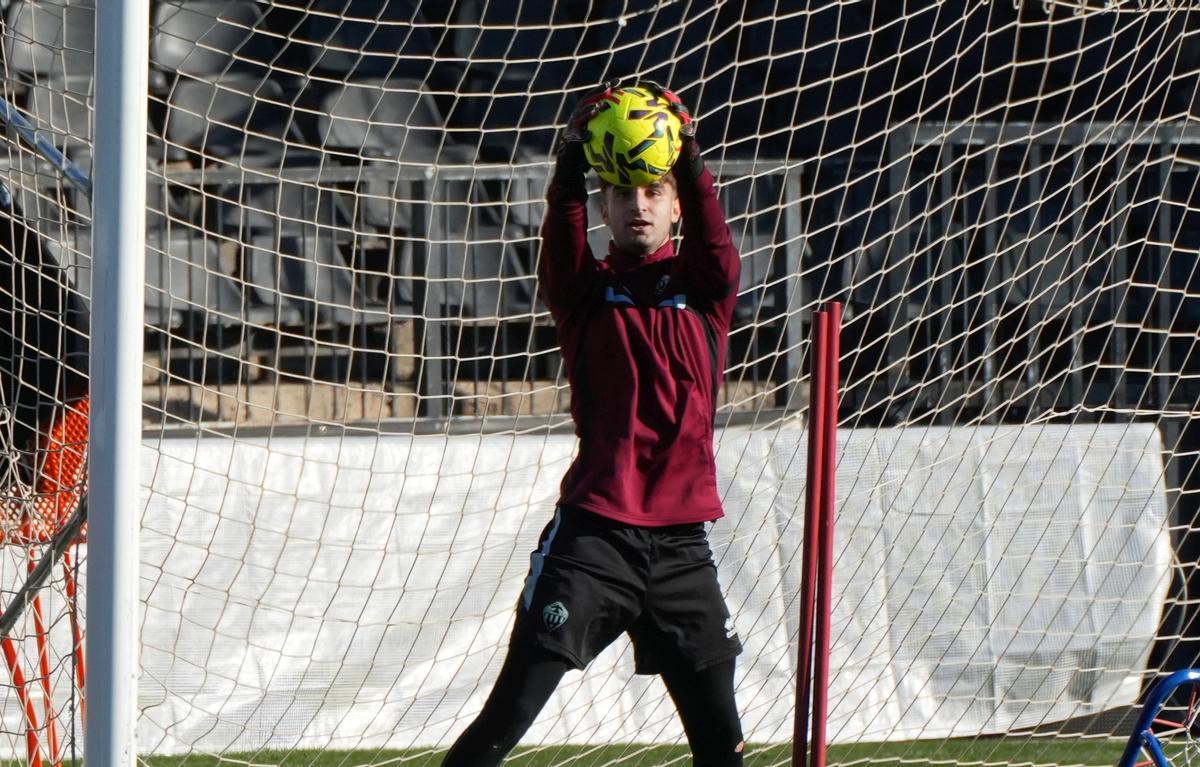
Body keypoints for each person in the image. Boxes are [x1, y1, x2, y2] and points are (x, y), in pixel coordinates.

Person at [441, 81, 744, 767]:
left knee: (723, 748)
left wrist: (690, 154)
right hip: (592, 543)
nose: (638, 204)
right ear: (604, 207)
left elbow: (718, 241)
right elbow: (561, 230)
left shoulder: (704, 292)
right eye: (623, 193)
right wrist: (572, 160)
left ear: (674, 207)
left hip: (680, 550)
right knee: (504, 720)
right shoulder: (584, 291)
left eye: (653, 191)